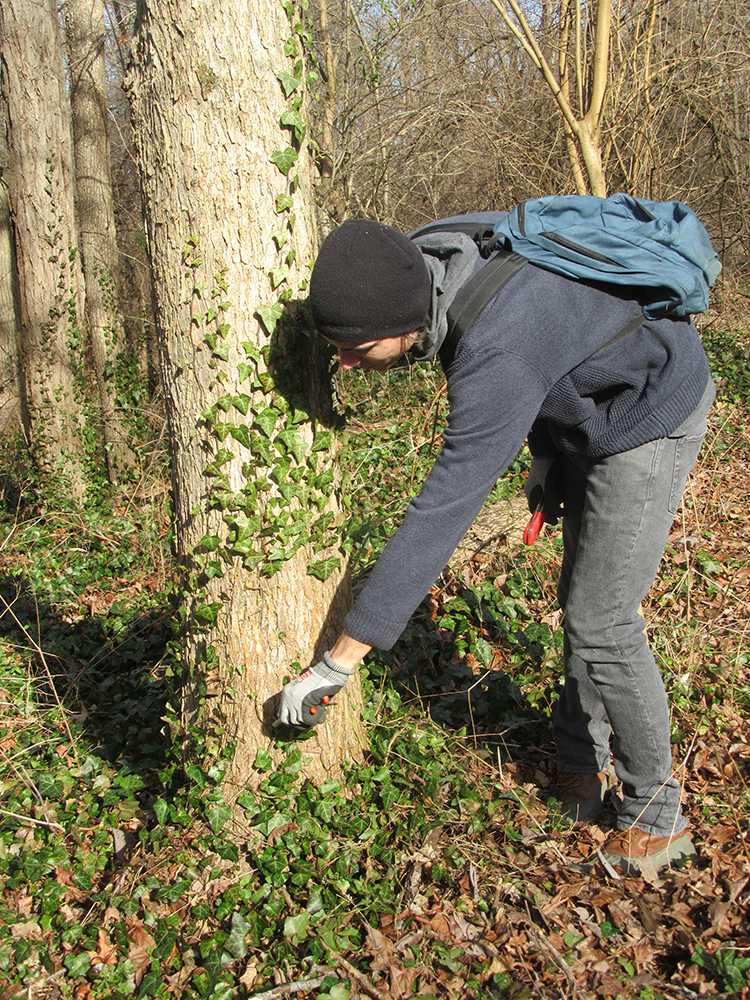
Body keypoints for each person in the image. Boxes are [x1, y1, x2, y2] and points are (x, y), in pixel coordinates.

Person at [278, 213, 714, 876]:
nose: (342, 361)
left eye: (356, 347)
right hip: (587, 411)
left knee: (603, 619)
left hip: (649, 411)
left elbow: (441, 512)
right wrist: (546, 456)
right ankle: (579, 761)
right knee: (581, 599)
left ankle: (658, 822)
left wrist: (339, 661)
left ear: (400, 322)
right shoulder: (428, 265)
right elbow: (562, 338)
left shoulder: (495, 349)